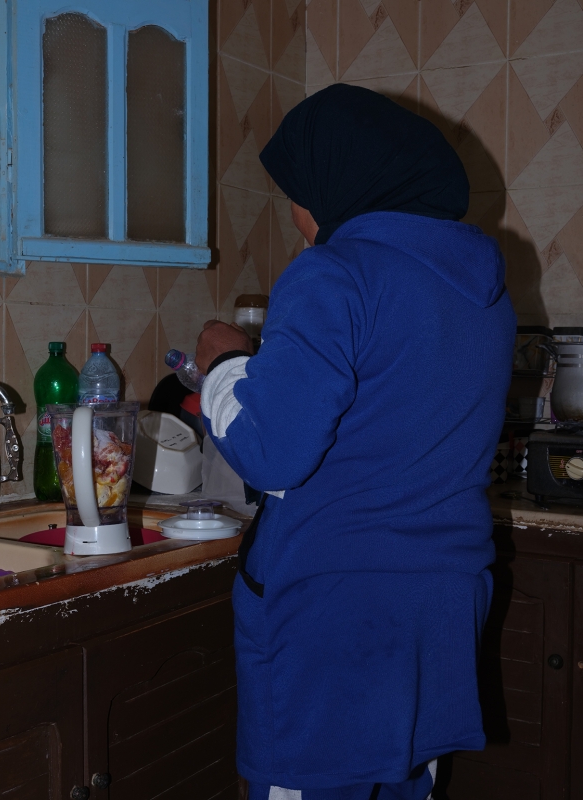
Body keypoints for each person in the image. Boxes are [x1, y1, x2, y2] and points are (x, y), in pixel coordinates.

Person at [195, 84, 515, 800]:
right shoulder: (485, 291)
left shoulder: (334, 272)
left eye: (296, 193)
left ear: (336, 186)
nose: (294, 214)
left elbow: (272, 452)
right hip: (440, 604)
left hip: (336, 611)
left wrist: (223, 366)